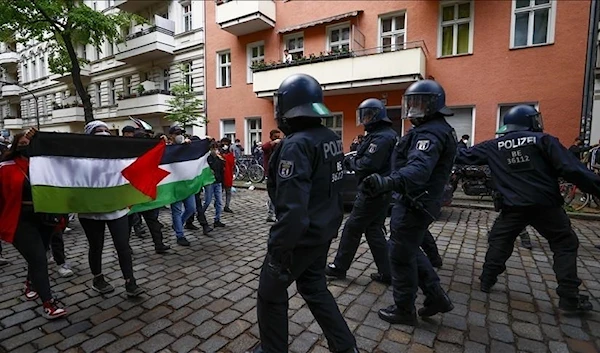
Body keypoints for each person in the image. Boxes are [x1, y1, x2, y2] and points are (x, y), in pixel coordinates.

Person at [248, 74, 358, 353]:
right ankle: (345, 347)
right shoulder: (329, 136)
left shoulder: (296, 145)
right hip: (322, 230)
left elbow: (293, 209)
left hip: (299, 237)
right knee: (313, 287)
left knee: (270, 294)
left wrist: (279, 248)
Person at [455, 104, 600, 312]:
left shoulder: (493, 145)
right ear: (531, 121)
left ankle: (487, 280)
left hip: (513, 206)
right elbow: (571, 169)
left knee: (500, 241)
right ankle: (569, 297)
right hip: (545, 205)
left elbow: (462, 156)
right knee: (564, 243)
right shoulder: (544, 140)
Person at [361, 79, 457, 325]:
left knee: (400, 256)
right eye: (411, 104)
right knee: (409, 249)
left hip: (415, 202)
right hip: (418, 201)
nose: (414, 109)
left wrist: (389, 182)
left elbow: (418, 169)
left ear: (433, 105)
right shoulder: (434, 128)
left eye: (420, 104)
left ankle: (404, 308)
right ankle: (436, 296)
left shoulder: (431, 132)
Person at [326, 98, 398, 284]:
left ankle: (339, 267)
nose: (364, 119)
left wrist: (351, 162)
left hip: (372, 190)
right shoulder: (379, 134)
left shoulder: (382, 137)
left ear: (376, 116)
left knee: (352, 227)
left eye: (366, 115)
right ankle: (387, 271)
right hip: (378, 190)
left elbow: (367, 164)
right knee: (374, 231)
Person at [0, 130, 67, 318]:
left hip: (45, 217)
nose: (25, 145)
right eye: (21, 143)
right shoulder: (5, 167)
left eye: (28, 142)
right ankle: (49, 303)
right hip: (20, 219)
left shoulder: (47, 165)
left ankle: (30, 282)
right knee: (39, 259)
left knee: (37, 255)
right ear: (14, 145)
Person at [80, 121, 145, 297]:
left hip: (117, 208)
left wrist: (158, 145)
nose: (103, 133)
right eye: (98, 131)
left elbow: (138, 162)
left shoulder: (119, 153)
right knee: (96, 246)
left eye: (106, 130)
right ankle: (98, 278)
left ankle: (130, 282)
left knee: (123, 245)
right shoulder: (79, 156)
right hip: (90, 210)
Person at [168, 126, 197, 246]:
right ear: (171, 136)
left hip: (186, 184)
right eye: (177, 133)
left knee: (191, 208)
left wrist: (190, 146)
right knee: (177, 210)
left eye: (181, 133)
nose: (179, 135)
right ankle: (180, 235)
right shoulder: (168, 149)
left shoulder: (186, 146)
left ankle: (177, 224)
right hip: (174, 185)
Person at [203, 141, 226, 228]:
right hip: (210, 182)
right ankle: (200, 214)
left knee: (219, 202)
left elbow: (222, 170)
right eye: (213, 148)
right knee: (207, 201)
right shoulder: (207, 159)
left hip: (218, 182)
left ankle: (217, 219)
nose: (215, 150)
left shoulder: (219, 158)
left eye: (216, 148)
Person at [262, 129, 282, 223]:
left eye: (279, 137)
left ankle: (273, 213)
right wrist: (273, 143)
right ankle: (271, 214)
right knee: (273, 194)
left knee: (278, 195)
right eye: (275, 137)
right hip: (270, 174)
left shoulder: (280, 146)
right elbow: (264, 147)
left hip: (279, 173)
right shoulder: (268, 145)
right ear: (271, 137)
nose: (278, 139)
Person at [220, 138, 236, 213]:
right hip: (221, 175)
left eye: (226, 143)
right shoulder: (219, 152)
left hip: (228, 174)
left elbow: (232, 163)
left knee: (228, 191)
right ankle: (219, 206)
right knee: (220, 192)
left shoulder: (230, 153)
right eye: (224, 143)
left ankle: (227, 206)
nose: (225, 145)